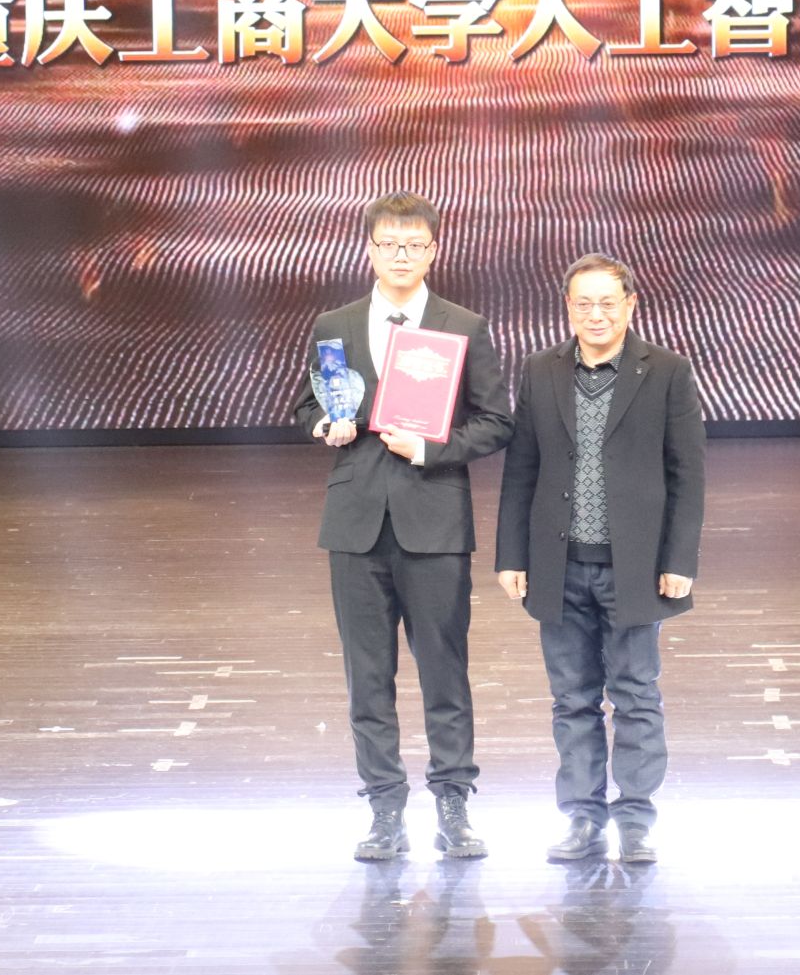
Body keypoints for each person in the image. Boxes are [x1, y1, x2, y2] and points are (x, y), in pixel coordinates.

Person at [293, 193, 513, 861]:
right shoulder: (334, 324)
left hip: (434, 520)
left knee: (445, 670)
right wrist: (323, 425)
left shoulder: (462, 325)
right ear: (369, 249)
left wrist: (430, 449)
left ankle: (453, 805)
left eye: (414, 244)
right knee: (367, 676)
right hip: (355, 523)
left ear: (433, 251)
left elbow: (496, 421)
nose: (400, 255)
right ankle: (384, 809)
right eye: (389, 243)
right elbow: (307, 402)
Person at [494, 253, 706, 864]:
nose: (596, 314)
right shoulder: (541, 370)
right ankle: (583, 818)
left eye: (608, 302)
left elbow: (687, 472)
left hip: (635, 565)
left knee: (636, 695)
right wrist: (512, 555)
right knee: (572, 700)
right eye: (584, 303)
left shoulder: (667, 371)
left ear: (630, 305)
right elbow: (522, 468)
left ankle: (635, 820)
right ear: (568, 307)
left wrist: (679, 558)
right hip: (558, 565)